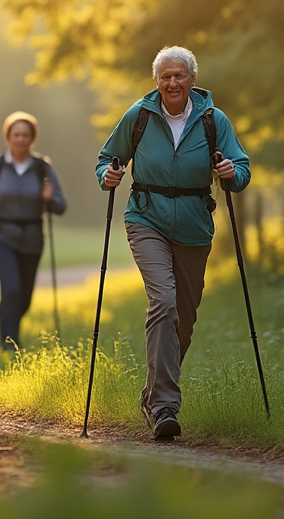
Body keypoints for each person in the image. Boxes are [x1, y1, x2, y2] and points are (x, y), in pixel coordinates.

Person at [97, 46, 250, 441]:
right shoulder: (140, 116)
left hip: (195, 226)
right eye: (165, 77)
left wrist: (232, 172)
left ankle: (151, 395)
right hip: (146, 217)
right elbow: (107, 158)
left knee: (183, 317)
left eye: (179, 75)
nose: (172, 83)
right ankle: (165, 406)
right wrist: (108, 175)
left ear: (192, 80)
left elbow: (242, 168)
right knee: (163, 303)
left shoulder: (214, 120)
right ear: (157, 82)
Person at [0, 111, 67, 353]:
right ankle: (9, 346)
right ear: (8, 137)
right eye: (16, 135)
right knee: (12, 288)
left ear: (32, 138)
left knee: (24, 298)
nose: (21, 139)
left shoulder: (42, 168)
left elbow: (60, 206)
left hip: (31, 238)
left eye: (25, 135)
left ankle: (9, 332)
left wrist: (50, 200)